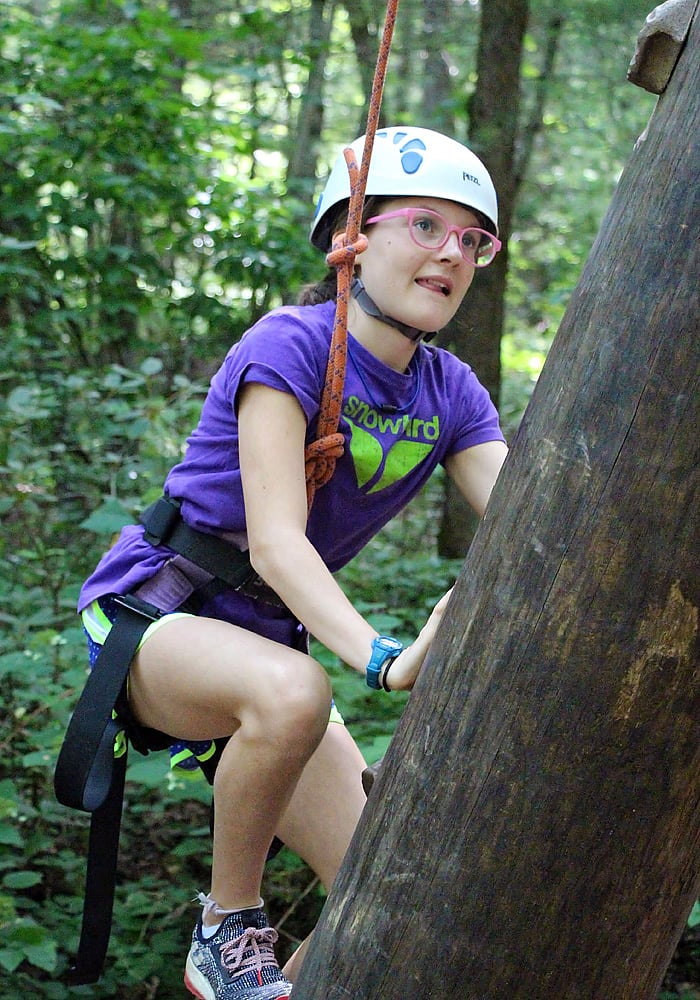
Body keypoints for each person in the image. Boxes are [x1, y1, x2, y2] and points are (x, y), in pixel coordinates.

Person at [77, 124, 508, 1000]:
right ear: (355, 231)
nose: (452, 255)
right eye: (425, 226)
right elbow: (275, 542)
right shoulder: (291, 345)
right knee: (294, 689)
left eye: (473, 240)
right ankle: (226, 925)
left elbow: (534, 529)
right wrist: (383, 658)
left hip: (266, 642)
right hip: (158, 616)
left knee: (387, 882)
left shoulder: (450, 391)